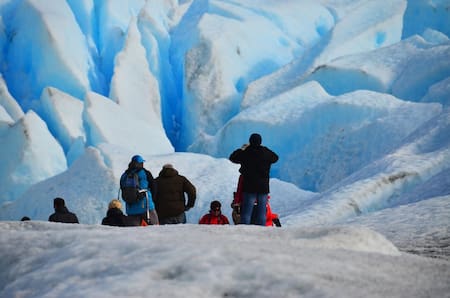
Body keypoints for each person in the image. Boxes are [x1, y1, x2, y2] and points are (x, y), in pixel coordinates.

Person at [229, 133, 278, 225]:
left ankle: (245, 231)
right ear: (260, 142)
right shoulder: (265, 152)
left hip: (249, 187)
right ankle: (261, 233)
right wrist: (264, 149)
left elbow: (232, 157)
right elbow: (275, 157)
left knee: (246, 213)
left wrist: (242, 149)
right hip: (263, 187)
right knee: (262, 213)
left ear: (250, 141)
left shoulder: (246, 152)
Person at [120, 155, 159, 226]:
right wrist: (151, 200)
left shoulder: (125, 175)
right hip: (146, 206)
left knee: (133, 232)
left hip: (131, 208)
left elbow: (122, 188)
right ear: (141, 163)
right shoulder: (145, 173)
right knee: (155, 227)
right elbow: (154, 187)